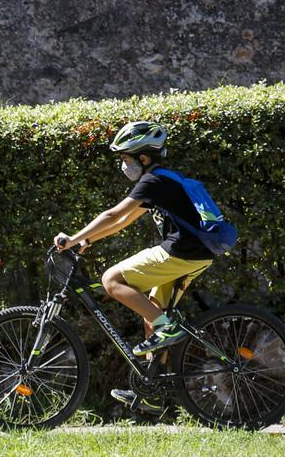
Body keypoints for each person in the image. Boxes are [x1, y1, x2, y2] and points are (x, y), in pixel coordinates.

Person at [53, 121, 214, 413]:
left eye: (126, 159)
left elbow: (112, 213)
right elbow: (122, 221)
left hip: (183, 251)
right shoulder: (163, 181)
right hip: (198, 254)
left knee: (111, 279)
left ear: (143, 158)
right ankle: (152, 391)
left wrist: (72, 238)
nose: (123, 165)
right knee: (153, 312)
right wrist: (87, 239)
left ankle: (167, 330)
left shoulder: (153, 182)